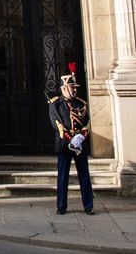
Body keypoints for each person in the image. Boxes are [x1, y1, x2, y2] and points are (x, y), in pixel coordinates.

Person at [49, 64, 94, 216]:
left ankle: (88, 206)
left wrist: (81, 137)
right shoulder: (55, 104)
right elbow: (58, 125)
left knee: (85, 176)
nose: (74, 90)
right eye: (71, 87)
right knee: (63, 177)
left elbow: (87, 123)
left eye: (75, 87)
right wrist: (71, 140)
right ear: (63, 89)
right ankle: (61, 206)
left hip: (80, 145)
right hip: (64, 145)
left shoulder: (81, 103)